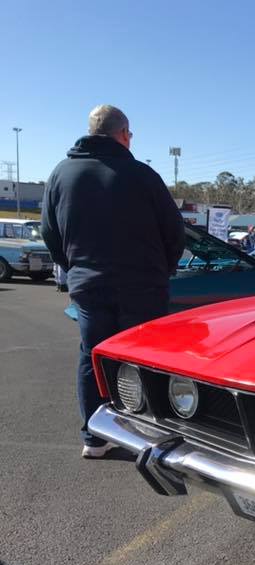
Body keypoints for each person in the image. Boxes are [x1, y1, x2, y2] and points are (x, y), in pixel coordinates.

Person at [41, 105, 185, 458]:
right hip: (143, 286)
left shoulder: (61, 174)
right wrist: (162, 270)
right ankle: (145, 435)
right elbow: (174, 234)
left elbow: (50, 233)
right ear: (124, 134)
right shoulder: (142, 175)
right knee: (144, 360)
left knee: (92, 357)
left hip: (89, 285)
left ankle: (94, 438)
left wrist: (73, 268)